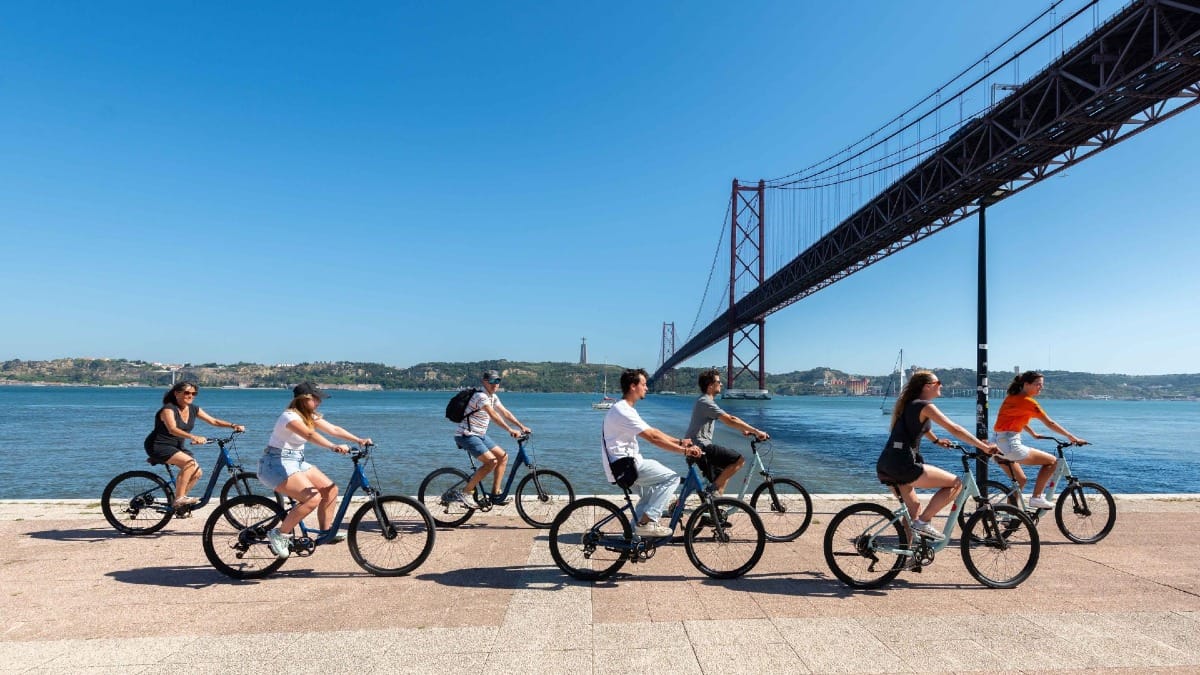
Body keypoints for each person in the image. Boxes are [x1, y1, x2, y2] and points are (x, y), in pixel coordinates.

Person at [876, 370, 998, 541]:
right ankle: (924, 522)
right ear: (928, 386)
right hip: (903, 464)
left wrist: (936, 441)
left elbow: (923, 428)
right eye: (938, 383)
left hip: (887, 463)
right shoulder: (925, 406)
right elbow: (954, 428)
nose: (942, 385)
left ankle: (907, 553)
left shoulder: (910, 404)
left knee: (913, 508)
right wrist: (982, 446)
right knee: (956, 484)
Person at [257, 382, 372, 560]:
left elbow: (334, 429)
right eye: (316, 398)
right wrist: (332, 446)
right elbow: (309, 435)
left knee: (330, 489)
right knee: (312, 498)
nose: (320, 402)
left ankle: (326, 532)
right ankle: (279, 533)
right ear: (305, 399)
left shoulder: (309, 416)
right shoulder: (289, 417)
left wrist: (359, 439)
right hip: (275, 463)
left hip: (295, 460)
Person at [602, 368, 703, 537]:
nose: (647, 388)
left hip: (623, 465)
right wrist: (684, 451)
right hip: (626, 466)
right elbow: (653, 438)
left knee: (649, 495)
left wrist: (679, 441)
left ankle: (634, 535)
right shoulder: (623, 411)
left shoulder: (624, 409)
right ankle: (646, 524)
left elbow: (653, 431)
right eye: (644, 384)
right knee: (672, 478)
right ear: (633, 386)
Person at [993, 371, 1088, 509]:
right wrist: (1072, 437)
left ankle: (1009, 514)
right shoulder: (1029, 402)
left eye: (1041, 385)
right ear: (1026, 384)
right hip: (1010, 444)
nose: (1040, 388)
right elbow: (1050, 423)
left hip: (997, 443)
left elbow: (1015, 419)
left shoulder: (1012, 397)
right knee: (1052, 461)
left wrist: (1033, 434)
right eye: (1038, 384)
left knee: (1020, 480)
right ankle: (1036, 498)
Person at [143, 381, 245, 508]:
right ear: (176, 394)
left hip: (177, 447)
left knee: (197, 472)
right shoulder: (168, 409)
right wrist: (193, 436)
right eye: (187, 393)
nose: (190, 395)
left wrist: (233, 426)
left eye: (193, 393)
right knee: (189, 463)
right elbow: (172, 429)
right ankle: (179, 499)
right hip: (158, 445)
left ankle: (178, 505)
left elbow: (213, 421)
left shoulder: (193, 409)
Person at [450, 369, 531, 508]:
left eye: (498, 381)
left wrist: (521, 426)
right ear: (484, 382)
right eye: (492, 381)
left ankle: (495, 494)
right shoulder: (481, 396)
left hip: (479, 434)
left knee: (503, 457)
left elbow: (505, 413)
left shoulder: (493, 397)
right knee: (491, 462)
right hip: (466, 435)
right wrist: (510, 430)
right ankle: (465, 492)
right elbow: (493, 415)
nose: (495, 384)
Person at [682, 369, 768, 494]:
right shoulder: (705, 402)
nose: (721, 384)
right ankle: (712, 491)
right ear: (710, 385)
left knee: (723, 474)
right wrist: (756, 431)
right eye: (719, 381)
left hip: (696, 446)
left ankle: (716, 506)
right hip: (700, 447)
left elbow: (727, 419)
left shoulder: (705, 401)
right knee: (738, 460)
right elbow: (730, 419)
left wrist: (744, 429)